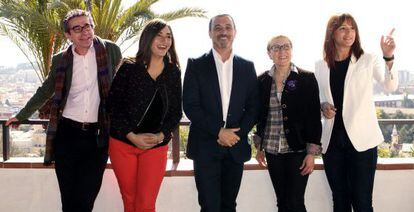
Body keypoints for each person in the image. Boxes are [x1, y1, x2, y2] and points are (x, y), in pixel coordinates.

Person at [5, 9, 122, 212]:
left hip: (97, 137)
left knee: (85, 200)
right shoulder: (61, 59)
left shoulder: (110, 51)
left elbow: (122, 86)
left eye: (88, 25)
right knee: (68, 201)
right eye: (77, 28)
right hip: (67, 135)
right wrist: (21, 115)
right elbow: (46, 90)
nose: (85, 32)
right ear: (68, 35)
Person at [315, 13, 398, 212]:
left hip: (362, 143)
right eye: (343, 28)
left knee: (362, 202)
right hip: (333, 143)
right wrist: (323, 106)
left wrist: (388, 57)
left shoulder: (368, 60)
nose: (349, 33)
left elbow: (390, 86)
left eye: (352, 28)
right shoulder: (321, 65)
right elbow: (318, 98)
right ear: (332, 33)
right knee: (340, 202)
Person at [183, 14, 259, 212]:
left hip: (236, 147)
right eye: (217, 27)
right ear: (210, 33)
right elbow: (191, 106)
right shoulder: (195, 65)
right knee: (209, 206)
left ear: (235, 32)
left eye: (227, 27)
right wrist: (219, 131)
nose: (223, 31)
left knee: (229, 205)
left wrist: (236, 135)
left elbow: (253, 107)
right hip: (206, 147)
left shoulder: (247, 67)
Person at [107, 19, 182, 212]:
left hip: (156, 147)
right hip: (123, 144)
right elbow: (112, 106)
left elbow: (175, 112)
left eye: (168, 37)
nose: (164, 41)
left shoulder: (173, 72)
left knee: (146, 203)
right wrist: (131, 135)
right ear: (148, 38)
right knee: (129, 200)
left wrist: (161, 136)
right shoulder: (129, 67)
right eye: (159, 35)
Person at [254, 35, 322, 212]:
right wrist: (259, 147)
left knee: (296, 202)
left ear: (291, 50)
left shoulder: (306, 79)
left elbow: (314, 117)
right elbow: (260, 115)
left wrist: (311, 153)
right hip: (271, 149)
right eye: (276, 48)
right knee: (282, 202)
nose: (281, 51)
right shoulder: (261, 81)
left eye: (285, 47)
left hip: (297, 150)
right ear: (269, 53)